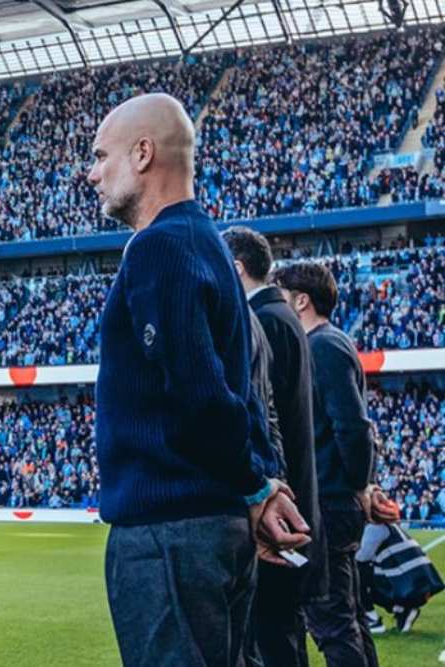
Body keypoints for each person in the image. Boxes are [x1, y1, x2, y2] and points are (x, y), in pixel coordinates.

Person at [88, 93, 311, 667]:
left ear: (143, 153)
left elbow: (200, 395)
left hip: (170, 537)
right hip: (212, 530)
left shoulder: (157, 248)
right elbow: (240, 391)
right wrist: (256, 484)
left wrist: (257, 485)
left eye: (101, 156)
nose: (92, 174)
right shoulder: (208, 244)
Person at [223, 226, 327, 667]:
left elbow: (266, 421)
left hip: (278, 508)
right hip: (293, 498)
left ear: (236, 267)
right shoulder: (282, 317)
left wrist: (266, 496)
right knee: (284, 637)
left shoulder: (261, 320)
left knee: (274, 640)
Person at [273, 261, 384, 667]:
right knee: (346, 618)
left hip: (330, 504)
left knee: (329, 619)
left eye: (280, 293)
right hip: (334, 501)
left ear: (301, 300)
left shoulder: (322, 346)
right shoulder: (329, 343)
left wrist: (359, 485)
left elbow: (353, 427)